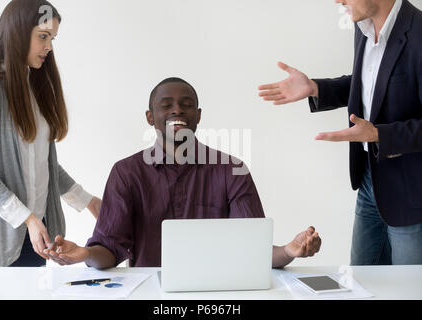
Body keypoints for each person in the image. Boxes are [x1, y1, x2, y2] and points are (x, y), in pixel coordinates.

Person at [44, 77, 322, 269]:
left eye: (186, 104)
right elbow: (109, 249)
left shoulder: (232, 170)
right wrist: (84, 254)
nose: (177, 109)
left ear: (198, 115)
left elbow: (254, 247)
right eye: (166, 105)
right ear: (150, 117)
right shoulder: (126, 173)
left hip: (219, 294)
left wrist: (289, 251)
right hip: (151, 293)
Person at [258, 0, 422, 265]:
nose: (338, 1)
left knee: (408, 288)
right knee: (362, 282)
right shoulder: (363, 27)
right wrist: (315, 88)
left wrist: (380, 134)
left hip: (412, 192)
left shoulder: (418, 34)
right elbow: (368, 84)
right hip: (370, 181)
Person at [0, 0, 102, 271]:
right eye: (43, 37)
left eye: (52, 38)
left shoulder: (37, 91)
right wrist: (28, 218)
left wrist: (89, 202)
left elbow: (46, 166)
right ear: (17, 32)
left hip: (35, 240)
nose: (49, 47)